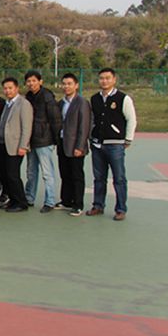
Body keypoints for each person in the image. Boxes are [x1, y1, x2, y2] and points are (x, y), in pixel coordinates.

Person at [87, 68, 137, 221]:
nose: (104, 81)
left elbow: (131, 119)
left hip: (115, 145)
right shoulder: (95, 99)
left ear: (114, 79)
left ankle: (121, 209)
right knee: (99, 178)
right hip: (97, 145)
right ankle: (98, 205)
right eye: (101, 78)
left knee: (119, 178)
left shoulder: (123, 98)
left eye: (107, 78)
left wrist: (128, 139)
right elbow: (92, 120)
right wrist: (91, 137)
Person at [24, 70, 62, 213]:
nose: (31, 83)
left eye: (34, 80)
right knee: (31, 172)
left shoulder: (47, 96)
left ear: (40, 81)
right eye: (28, 81)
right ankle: (29, 198)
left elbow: (55, 119)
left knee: (47, 173)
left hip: (44, 141)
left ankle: (49, 201)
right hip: (31, 140)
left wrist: (56, 139)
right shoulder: (28, 97)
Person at [56, 73, 91, 216]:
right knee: (65, 174)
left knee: (77, 175)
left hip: (75, 146)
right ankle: (66, 201)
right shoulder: (61, 103)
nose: (66, 86)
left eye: (69, 84)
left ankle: (77, 204)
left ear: (76, 85)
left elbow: (84, 126)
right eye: (64, 84)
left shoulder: (81, 102)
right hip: (63, 143)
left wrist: (80, 146)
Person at [0, 77, 33, 213]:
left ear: (17, 88)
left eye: (10, 88)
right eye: (5, 88)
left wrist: (23, 146)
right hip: (3, 144)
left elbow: (27, 127)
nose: (7, 91)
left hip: (16, 146)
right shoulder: (7, 103)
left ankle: (21, 202)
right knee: (6, 174)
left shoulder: (24, 104)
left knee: (13, 175)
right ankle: (12, 200)